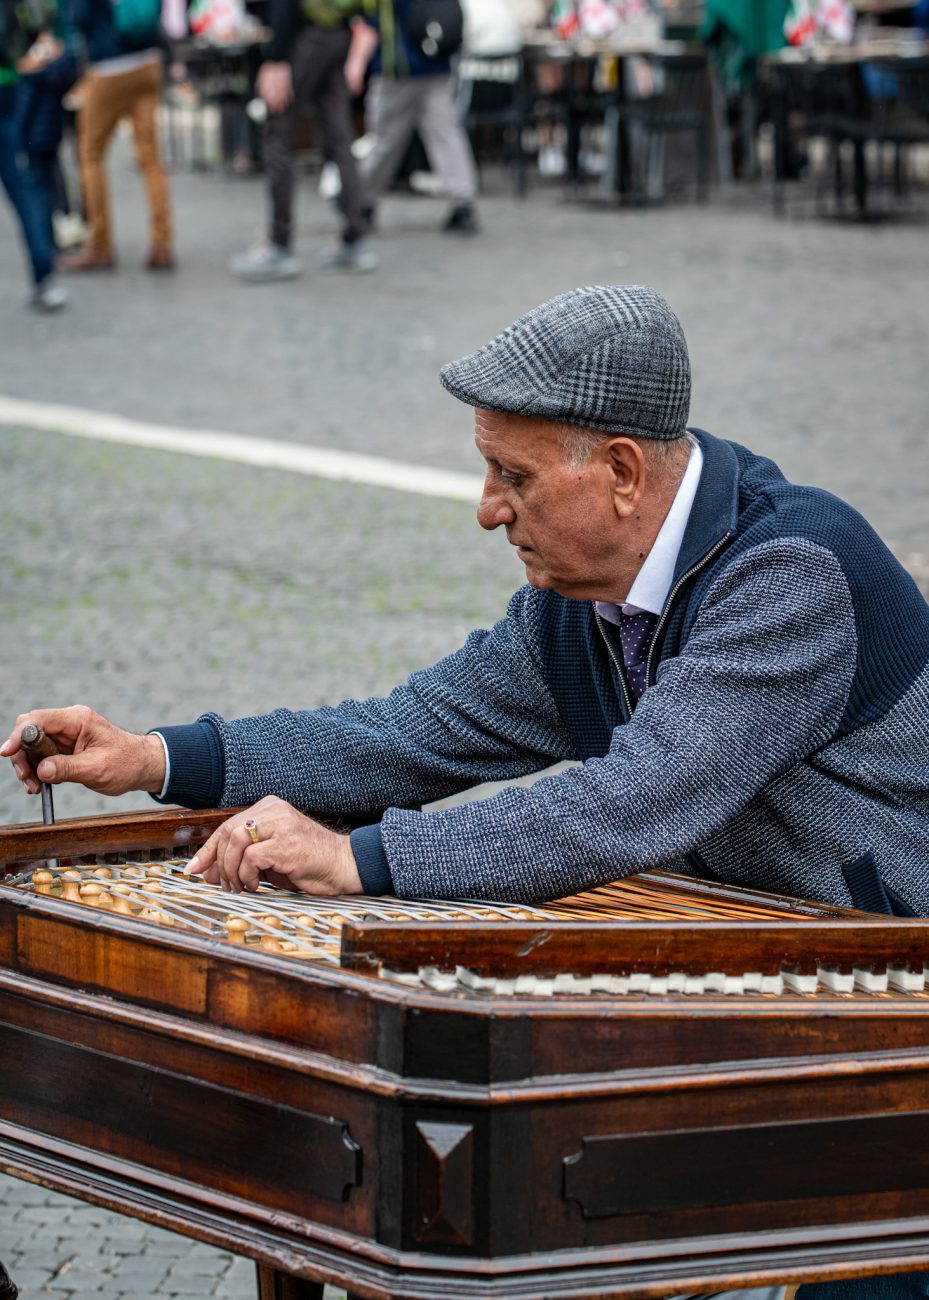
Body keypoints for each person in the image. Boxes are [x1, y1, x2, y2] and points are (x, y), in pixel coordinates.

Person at [4, 284, 929, 1300]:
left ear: (621, 473)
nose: (487, 509)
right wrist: (150, 757)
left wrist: (356, 859)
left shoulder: (787, 573)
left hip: (890, 1019)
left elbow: (622, 804)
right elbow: (402, 734)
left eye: (511, 476)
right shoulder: (578, 600)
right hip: (746, 985)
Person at [230, 0, 377, 281]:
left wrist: (276, 58)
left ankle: (280, 243)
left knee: (277, 128)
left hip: (306, 35)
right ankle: (355, 237)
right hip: (337, 32)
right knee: (339, 134)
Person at [344, 0, 480, 233]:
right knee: (446, 135)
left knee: (385, 140)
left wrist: (355, 62)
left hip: (398, 70)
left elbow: (371, 23)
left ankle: (360, 200)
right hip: (437, 66)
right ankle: (463, 201)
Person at [59, 0, 173, 271]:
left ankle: (100, 246)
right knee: (150, 157)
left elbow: (79, 16)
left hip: (109, 67)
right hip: (148, 62)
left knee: (90, 153)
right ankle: (162, 243)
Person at [0, 0, 72, 309]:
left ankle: (45, 274)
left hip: (13, 87)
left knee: (26, 182)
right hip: (15, 86)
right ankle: (45, 275)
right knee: (27, 183)